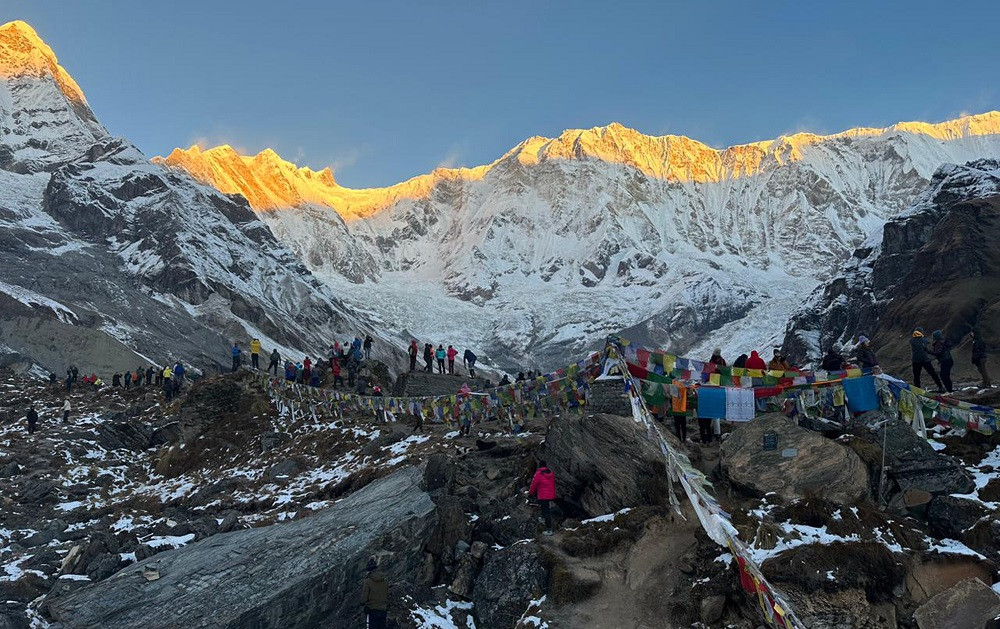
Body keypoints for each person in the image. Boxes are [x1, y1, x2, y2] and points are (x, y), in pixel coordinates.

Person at [529, 461, 556, 536]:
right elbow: (553, 484)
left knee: (546, 511)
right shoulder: (551, 473)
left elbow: (534, 484)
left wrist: (530, 493)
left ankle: (549, 529)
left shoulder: (538, 474)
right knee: (545, 509)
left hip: (543, 495)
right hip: (550, 495)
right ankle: (543, 518)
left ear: (540, 466)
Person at [361, 557, 389, 629]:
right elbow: (387, 594)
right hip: (383, 610)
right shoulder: (384, 580)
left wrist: (363, 603)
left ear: (369, 570)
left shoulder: (367, 582)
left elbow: (364, 597)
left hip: (372, 610)